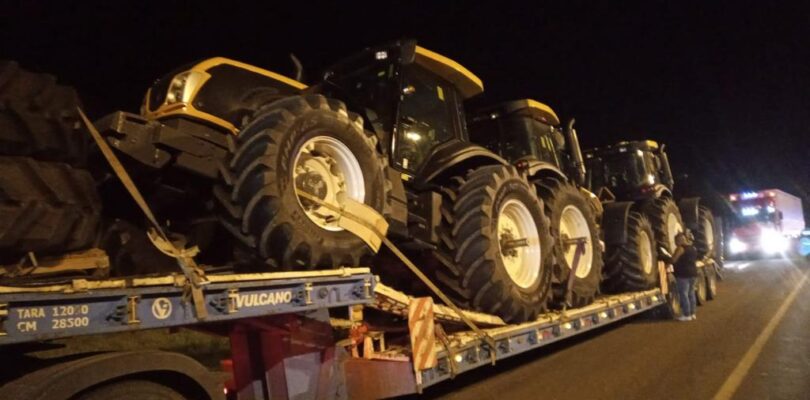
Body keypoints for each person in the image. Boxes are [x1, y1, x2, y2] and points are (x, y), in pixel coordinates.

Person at [669, 230, 698, 321]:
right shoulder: (693, 248)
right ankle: (693, 313)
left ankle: (686, 314)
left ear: (680, 240)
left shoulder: (681, 249)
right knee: (691, 293)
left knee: (683, 294)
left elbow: (673, 260)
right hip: (693, 273)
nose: (675, 244)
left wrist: (668, 258)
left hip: (683, 274)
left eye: (676, 241)